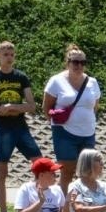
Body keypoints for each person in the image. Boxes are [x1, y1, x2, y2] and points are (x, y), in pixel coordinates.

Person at [0, 41, 42, 212]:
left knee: (39, 164)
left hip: (21, 127)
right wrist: (12, 110)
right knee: (2, 171)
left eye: (11, 54)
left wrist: (11, 108)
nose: (9, 57)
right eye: (5, 54)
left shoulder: (21, 77)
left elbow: (31, 106)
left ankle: (40, 204)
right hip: (4, 129)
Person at [43, 46, 101, 192]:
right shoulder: (56, 81)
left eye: (83, 62)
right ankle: (63, 208)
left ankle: (84, 204)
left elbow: (95, 106)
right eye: (75, 62)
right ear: (67, 62)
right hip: (64, 132)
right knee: (67, 172)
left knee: (87, 171)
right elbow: (46, 107)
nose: (79, 66)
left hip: (88, 133)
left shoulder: (92, 82)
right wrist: (58, 122)